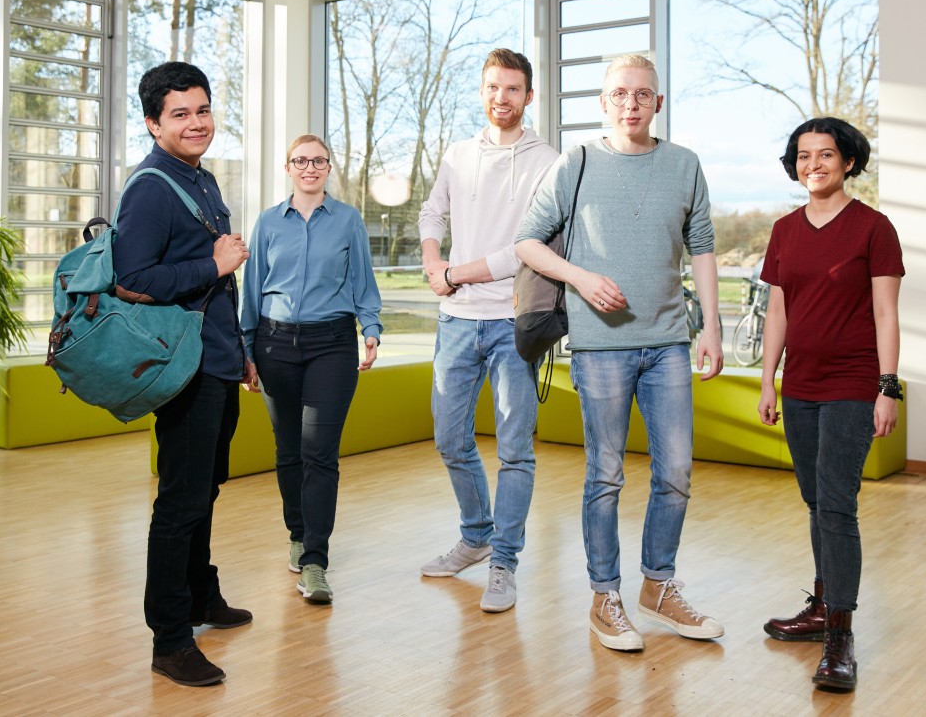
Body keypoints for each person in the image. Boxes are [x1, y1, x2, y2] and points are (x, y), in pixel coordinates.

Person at [515, 54, 724, 652]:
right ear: (604, 103)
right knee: (604, 476)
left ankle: (657, 586)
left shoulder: (685, 165)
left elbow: (703, 247)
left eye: (642, 94)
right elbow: (527, 241)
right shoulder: (575, 163)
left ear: (658, 102)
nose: (630, 103)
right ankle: (605, 596)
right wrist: (580, 278)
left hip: (668, 343)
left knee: (676, 473)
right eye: (619, 94)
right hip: (600, 346)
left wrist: (710, 325)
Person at [115, 61, 257, 687]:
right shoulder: (150, 186)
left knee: (206, 488)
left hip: (220, 360)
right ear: (153, 123)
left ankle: (202, 594)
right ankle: (170, 639)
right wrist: (214, 265)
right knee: (179, 501)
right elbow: (132, 279)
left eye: (202, 110)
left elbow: (217, 280)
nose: (196, 123)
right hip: (184, 369)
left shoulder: (200, 179)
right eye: (180, 114)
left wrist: (244, 348)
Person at [756, 116, 904, 691]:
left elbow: (887, 313)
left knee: (838, 505)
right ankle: (822, 605)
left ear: (848, 160)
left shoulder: (874, 228)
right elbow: (778, 312)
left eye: (825, 154)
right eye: (802, 155)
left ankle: (839, 635)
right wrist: (769, 379)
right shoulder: (784, 230)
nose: (813, 164)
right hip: (801, 386)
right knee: (816, 501)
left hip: (853, 382)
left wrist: (887, 386)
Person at [417, 49, 559, 613]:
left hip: (512, 323)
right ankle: (475, 537)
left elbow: (526, 248)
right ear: (482, 92)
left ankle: (504, 561)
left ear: (529, 96)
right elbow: (433, 214)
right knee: (451, 439)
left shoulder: (548, 160)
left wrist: (455, 273)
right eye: (493, 87)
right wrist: (433, 263)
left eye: (513, 89)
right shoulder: (457, 154)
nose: (502, 98)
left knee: (516, 452)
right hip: (456, 322)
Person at [241, 134, 382, 607]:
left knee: (320, 452)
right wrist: (246, 347)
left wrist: (372, 329)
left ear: (328, 167)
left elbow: (363, 280)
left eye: (318, 161)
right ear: (288, 167)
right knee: (289, 451)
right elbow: (253, 289)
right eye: (300, 161)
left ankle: (315, 562)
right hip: (274, 342)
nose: (309, 168)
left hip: (331, 344)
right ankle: (297, 533)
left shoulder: (347, 221)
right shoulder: (267, 223)